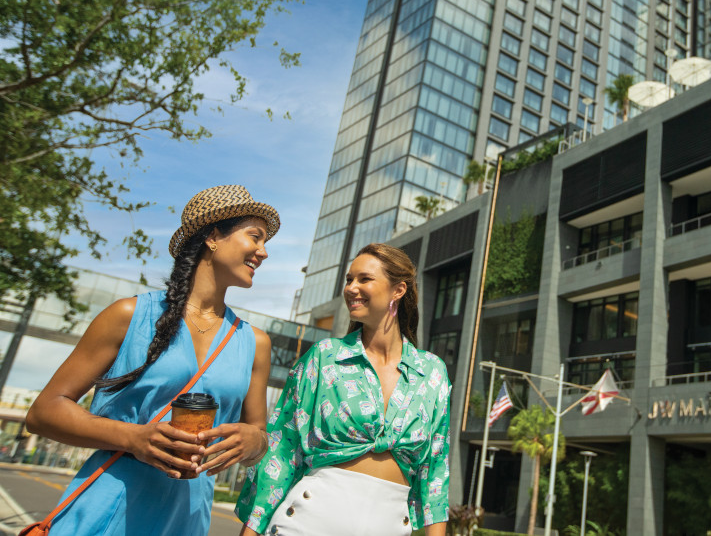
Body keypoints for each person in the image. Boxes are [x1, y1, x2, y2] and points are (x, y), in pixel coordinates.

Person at [26, 184, 278, 535]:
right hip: (108, 508)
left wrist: (255, 442)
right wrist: (133, 438)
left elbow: (259, 432)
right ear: (213, 235)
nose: (263, 252)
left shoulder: (255, 342)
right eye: (256, 237)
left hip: (188, 517)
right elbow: (44, 412)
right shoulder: (128, 315)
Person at [236, 243, 451, 536]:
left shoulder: (432, 373)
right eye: (349, 279)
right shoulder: (324, 357)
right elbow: (282, 451)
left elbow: (435, 473)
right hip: (303, 524)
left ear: (398, 290)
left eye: (364, 279)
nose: (351, 288)